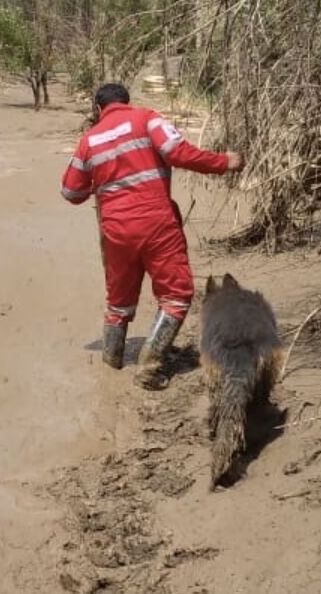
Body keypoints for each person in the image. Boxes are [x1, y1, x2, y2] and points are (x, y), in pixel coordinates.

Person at [61, 83, 244, 389]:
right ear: (126, 102)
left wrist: (104, 181)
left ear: (98, 109)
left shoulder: (89, 140)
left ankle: (111, 364)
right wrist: (224, 162)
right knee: (175, 295)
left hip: (115, 230)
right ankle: (150, 363)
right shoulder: (147, 119)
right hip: (156, 221)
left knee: (118, 300)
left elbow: (70, 191)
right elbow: (178, 152)